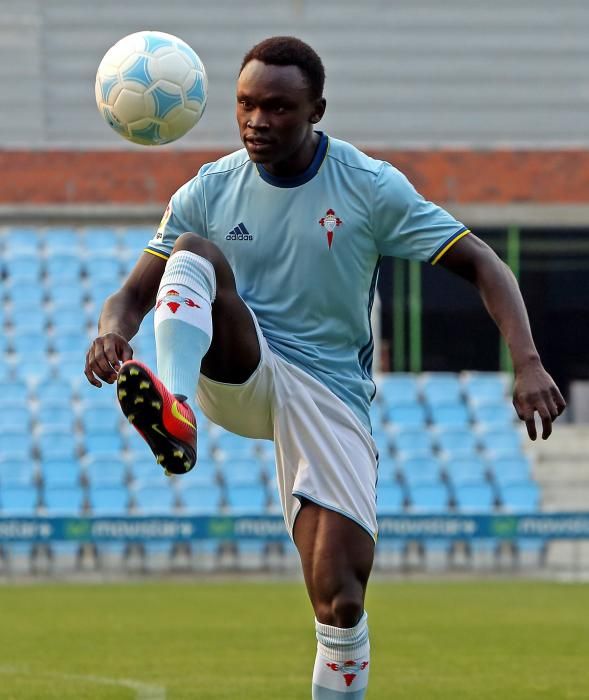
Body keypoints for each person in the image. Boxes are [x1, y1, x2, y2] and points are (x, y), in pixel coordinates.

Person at [85, 36, 566, 699]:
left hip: (328, 391)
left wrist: (529, 363)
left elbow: (481, 261)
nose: (257, 121)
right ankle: (174, 407)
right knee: (191, 253)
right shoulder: (210, 188)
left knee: (339, 599)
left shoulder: (369, 187)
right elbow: (132, 294)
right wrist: (111, 332)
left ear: (316, 109)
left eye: (278, 107)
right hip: (237, 366)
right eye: (245, 105)